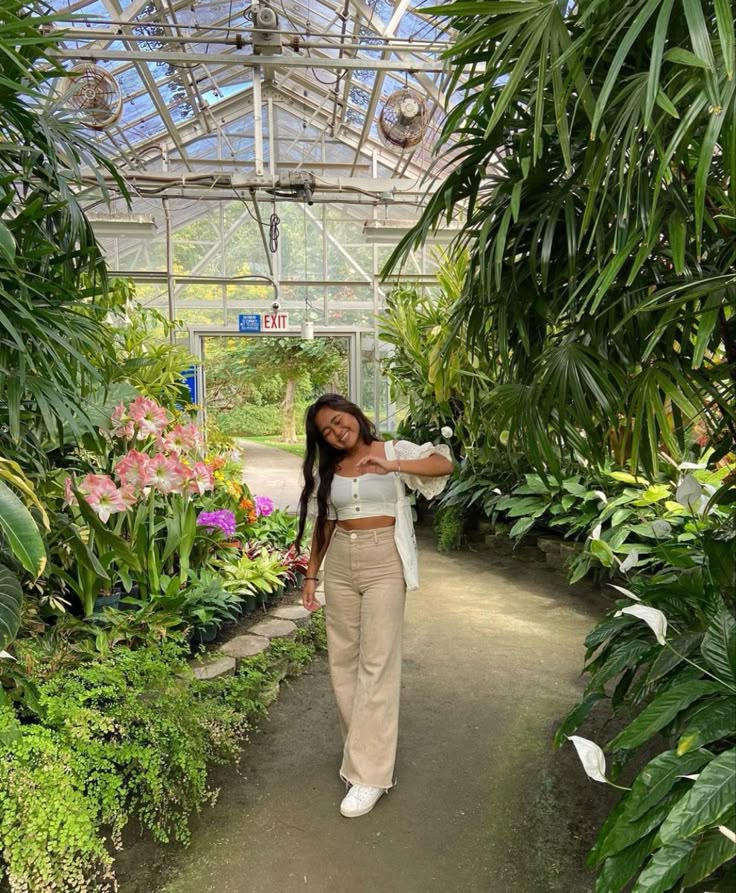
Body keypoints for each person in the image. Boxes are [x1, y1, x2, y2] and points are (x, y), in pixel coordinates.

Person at [295, 393, 453, 819]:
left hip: (385, 559)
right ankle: (360, 753)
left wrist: (394, 466)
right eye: (325, 430)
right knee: (342, 660)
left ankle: (371, 776)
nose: (335, 430)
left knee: (378, 662)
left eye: (337, 420)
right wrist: (312, 575)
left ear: (353, 414)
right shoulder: (329, 469)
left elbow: (444, 464)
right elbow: (323, 525)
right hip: (342, 560)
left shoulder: (392, 449)